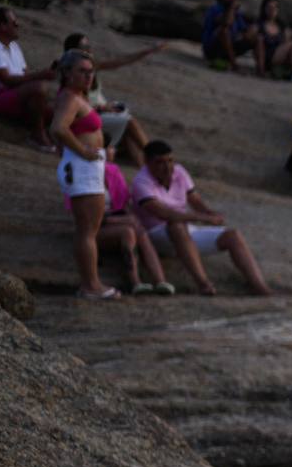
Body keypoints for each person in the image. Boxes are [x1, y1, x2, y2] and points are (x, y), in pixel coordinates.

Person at [132, 140, 271, 295]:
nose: (167, 167)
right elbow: (163, 213)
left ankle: (260, 287)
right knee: (176, 225)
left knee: (232, 235)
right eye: (160, 163)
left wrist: (210, 213)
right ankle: (203, 283)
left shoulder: (179, 171)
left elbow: (195, 199)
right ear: (147, 163)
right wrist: (202, 218)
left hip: (183, 229)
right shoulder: (141, 181)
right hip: (155, 234)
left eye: (170, 161)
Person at [63, 145, 173, 296]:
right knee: (129, 230)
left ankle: (160, 281)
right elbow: (82, 219)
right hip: (92, 230)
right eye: (109, 148)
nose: (113, 151)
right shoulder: (82, 176)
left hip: (111, 223)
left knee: (136, 228)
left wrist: (127, 219)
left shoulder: (112, 171)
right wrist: (119, 220)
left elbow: (123, 205)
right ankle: (136, 282)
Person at [51, 50, 117, 299]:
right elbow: (58, 128)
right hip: (82, 165)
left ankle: (91, 283)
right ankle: (91, 285)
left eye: (91, 72)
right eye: (82, 71)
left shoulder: (76, 97)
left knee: (88, 228)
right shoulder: (69, 97)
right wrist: (82, 151)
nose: (89, 76)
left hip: (86, 165)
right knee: (87, 230)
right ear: (67, 73)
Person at [59, 33, 164, 166]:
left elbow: (121, 61)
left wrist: (148, 51)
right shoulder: (71, 75)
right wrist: (101, 108)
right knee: (129, 122)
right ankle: (155, 157)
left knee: (127, 133)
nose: (90, 49)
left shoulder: (90, 67)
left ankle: (147, 168)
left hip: (99, 114)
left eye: (89, 46)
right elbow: (74, 107)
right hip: (91, 119)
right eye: (85, 47)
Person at [0, 7, 56, 151]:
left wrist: (45, 74)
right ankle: (37, 134)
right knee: (38, 88)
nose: (18, 26)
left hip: (14, 95)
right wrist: (41, 75)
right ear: (2, 26)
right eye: (14, 23)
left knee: (57, 109)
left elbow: (26, 76)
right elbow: (7, 80)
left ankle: (44, 134)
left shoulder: (14, 47)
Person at [202, 0, 258, 71]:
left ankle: (260, 68)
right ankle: (234, 64)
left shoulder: (237, 13)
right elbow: (226, 23)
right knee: (224, 31)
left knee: (255, 33)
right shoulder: (215, 9)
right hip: (212, 49)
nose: (234, 0)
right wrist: (231, 8)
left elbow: (244, 30)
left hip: (229, 46)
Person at [255, 0, 292, 79]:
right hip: (269, 57)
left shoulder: (282, 26)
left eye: (275, 7)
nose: (272, 10)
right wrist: (261, 69)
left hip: (281, 55)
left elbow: (287, 42)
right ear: (264, 9)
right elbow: (259, 48)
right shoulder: (259, 25)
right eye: (270, 7)